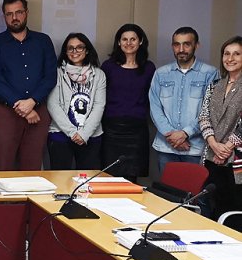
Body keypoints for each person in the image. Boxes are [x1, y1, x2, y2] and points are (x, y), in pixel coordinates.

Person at [0, 0, 56, 171]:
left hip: (37, 112)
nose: (14, 17)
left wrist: (32, 102)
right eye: (9, 14)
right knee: (2, 167)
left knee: (31, 170)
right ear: (4, 16)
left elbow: (50, 76)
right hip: (5, 113)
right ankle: (3, 201)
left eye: (18, 12)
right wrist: (21, 106)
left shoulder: (43, 41)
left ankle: (27, 200)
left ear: (26, 13)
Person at [149, 27, 218, 174]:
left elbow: (210, 109)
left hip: (195, 149)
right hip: (166, 147)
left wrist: (185, 134)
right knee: (167, 194)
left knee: (195, 195)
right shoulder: (161, 73)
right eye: (176, 44)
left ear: (196, 45)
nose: (181, 49)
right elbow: (155, 107)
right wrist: (171, 136)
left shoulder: (210, 73)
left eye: (186, 44)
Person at [101, 23, 156, 181]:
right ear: (118, 42)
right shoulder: (108, 67)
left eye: (133, 39)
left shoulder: (149, 67)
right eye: (124, 39)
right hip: (111, 129)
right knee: (110, 176)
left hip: (136, 130)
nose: (128, 43)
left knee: (132, 179)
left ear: (140, 42)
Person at [46, 33, 106, 170]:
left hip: (91, 135)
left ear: (87, 50)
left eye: (79, 47)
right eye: (70, 48)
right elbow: (53, 104)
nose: (75, 51)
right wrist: (73, 132)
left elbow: (99, 105)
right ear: (65, 52)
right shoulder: (57, 73)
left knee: (88, 182)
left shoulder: (99, 75)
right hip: (61, 135)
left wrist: (84, 134)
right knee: (60, 181)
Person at [199, 36, 242, 220]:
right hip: (211, 155)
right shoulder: (215, 85)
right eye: (226, 54)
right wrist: (213, 143)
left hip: (235, 160)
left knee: (232, 210)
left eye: (236, 54)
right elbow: (203, 116)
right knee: (210, 206)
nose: (230, 58)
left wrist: (226, 148)